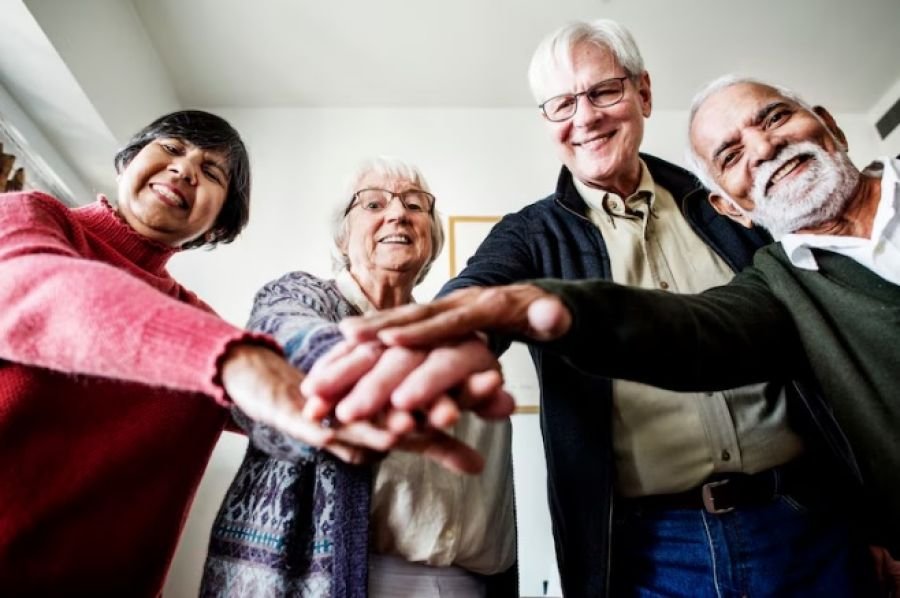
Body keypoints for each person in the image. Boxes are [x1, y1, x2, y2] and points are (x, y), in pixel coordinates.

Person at [304, 21, 879, 597]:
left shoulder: (727, 199)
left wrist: (879, 517)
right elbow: (478, 291)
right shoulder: (528, 234)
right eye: (561, 104)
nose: (586, 117)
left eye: (604, 91)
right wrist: (442, 343)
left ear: (643, 93)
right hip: (649, 550)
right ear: (547, 121)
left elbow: (832, 341)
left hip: (810, 521)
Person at [0, 109, 368, 595]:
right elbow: (38, 290)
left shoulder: (202, 323)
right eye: (172, 148)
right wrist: (234, 359)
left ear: (218, 226)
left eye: (212, 172)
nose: (185, 168)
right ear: (127, 162)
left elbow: (287, 410)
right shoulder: (31, 216)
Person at [201, 157, 517, 598]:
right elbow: (285, 332)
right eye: (372, 203)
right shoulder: (301, 296)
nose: (398, 213)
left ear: (432, 237)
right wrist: (342, 367)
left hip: (467, 582)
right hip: (335, 580)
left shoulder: (455, 334)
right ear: (343, 236)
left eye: (415, 205)